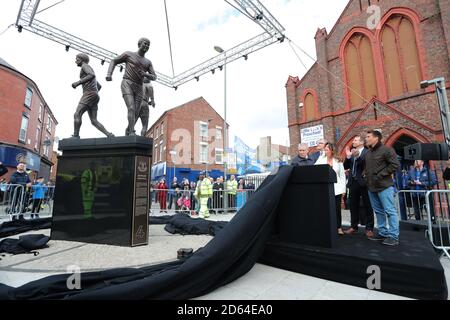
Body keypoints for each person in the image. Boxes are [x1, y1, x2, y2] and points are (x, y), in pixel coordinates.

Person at [106, 37, 157, 136]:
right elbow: (114, 61)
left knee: (136, 113)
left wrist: (145, 74)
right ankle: (132, 131)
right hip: (127, 83)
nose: (146, 46)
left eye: (148, 45)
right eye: (145, 43)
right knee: (131, 108)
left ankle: (128, 131)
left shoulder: (148, 62)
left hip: (139, 87)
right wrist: (109, 74)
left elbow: (154, 77)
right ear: (139, 44)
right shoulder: (129, 54)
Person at [363, 130, 400, 246]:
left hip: (384, 186)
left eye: (368, 137)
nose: (366, 138)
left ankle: (393, 236)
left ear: (376, 138)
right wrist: (364, 174)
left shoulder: (387, 150)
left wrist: (380, 175)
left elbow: (395, 165)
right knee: (378, 211)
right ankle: (383, 233)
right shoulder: (368, 153)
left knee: (390, 211)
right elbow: (367, 168)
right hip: (371, 187)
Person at [71, 53, 114, 139]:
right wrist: (94, 93)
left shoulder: (85, 66)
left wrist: (78, 83)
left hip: (89, 93)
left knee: (77, 114)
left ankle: (75, 136)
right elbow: (99, 86)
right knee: (94, 120)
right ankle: (109, 135)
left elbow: (91, 75)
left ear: (82, 60)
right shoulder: (88, 68)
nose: (75, 61)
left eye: (77, 59)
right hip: (94, 95)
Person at [343, 136, 374, 237]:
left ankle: (369, 228)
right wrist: (348, 157)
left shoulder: (367, 152)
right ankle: (353, 226)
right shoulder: (352, 153)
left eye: (355, 140)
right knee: (353, 205)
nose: (353, 142)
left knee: (367, 205)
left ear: (361, 142)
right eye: (353, 140)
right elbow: (346, 166)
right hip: (353, 182)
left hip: (364, 182)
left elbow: (365, 164)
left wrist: (357, 157)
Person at [315, 143, 347, 235]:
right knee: (325, 208)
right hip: (325, 188)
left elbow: (342, 176)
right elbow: (315, 168)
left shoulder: (338, 160)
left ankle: (338, 227)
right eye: (324, 149)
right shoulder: (321, 159)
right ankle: (327, 226)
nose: (325, 151)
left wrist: (343, 190)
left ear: (332, 150)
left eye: (327, 149)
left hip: (337, 189)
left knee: (337, 209)